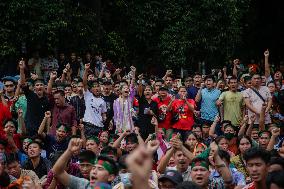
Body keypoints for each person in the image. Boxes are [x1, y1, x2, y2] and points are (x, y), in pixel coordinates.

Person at [52, 138, 118, 188]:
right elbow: (57, 171)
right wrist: (69, 151)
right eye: (94, 168)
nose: (94, 171)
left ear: (110, 177)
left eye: (100, 168)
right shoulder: (84, 185)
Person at [19, 60, 50, 136]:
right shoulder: (30, 95)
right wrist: (22, 69)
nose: (39, 86)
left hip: (41, 131)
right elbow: (23, 83)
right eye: (37, 85)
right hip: (29, 129)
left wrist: (48, 131)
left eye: (41, 85)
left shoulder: (46, 100)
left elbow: (48, 117)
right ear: (34, 88)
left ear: (44, 87)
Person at [82, 63, 107, 136]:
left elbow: (103, 113)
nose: (96, 88)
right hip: (89, 126)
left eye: (98, 86)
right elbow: (84, 83)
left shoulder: (102, 101)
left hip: (99, 127)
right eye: (94, 87)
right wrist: (86, 70)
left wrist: (104, 117)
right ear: (91, 89)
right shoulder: (88, 95)